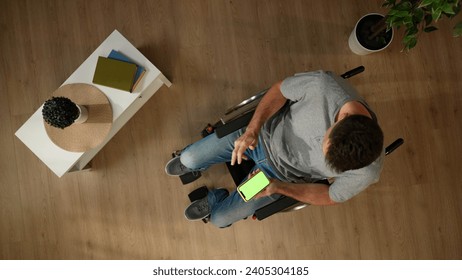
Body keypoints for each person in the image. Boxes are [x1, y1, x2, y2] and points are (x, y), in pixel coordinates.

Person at [165, 70, 384, 228]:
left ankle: (215, 197)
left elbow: (330, 195)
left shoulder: (367, 170)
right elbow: (280, 90)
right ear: (342, 118)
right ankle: (194, 164)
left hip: (275, 175)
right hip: (258, 137)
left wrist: (278, 187)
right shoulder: (324, 86)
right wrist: (252, 129)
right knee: (190, 158)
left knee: (219, 219)